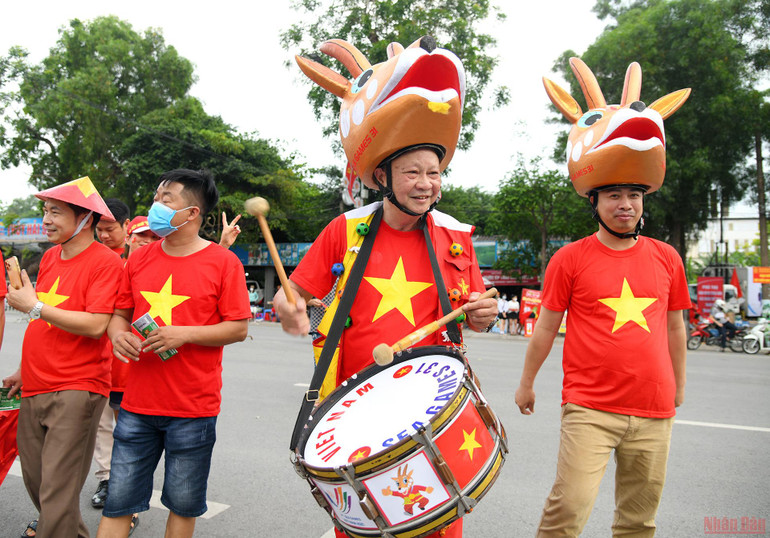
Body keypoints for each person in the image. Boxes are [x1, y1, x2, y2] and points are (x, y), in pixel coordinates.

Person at [280, 36, 497, 538]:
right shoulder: (345, 230)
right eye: (413, 173)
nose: (426, 184)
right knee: (366, 530)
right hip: (358, 407)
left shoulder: (456, 237)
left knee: (437, 526)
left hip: (435, 404)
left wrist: (482, 312)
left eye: (434, 173)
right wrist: (291, 307)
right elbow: (295, 296)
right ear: (382, 174)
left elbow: (475, 311)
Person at [514, 57, 691, 536]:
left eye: (634, 194)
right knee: (568, 510)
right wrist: (527, 383)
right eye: (613, 194)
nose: (625, 204)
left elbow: (676, 326)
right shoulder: (569, 259)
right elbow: (546, 326)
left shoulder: (668, 258)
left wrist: (678, 384)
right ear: (593, 200)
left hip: (655, 409)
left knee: (639, 520)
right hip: (589, 408)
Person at [96, 169, 250, 538]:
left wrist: (185, 334)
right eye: (156, 196)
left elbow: (239, 328)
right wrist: (118, 335)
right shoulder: (139, 259)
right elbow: (119, 315)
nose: (156, 205)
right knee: (119, 500)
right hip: (135, 407)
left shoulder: (223, 262)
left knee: (182, 505)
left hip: (193, 410)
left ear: (192, 213)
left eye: (167, 199)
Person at [2, 176, 123, 538]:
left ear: (85, 219)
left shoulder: (106, 263)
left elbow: (96, 325)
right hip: (35, 385)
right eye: (45, 211)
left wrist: (34, 305)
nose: (47, 219)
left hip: (77, 387)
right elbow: (46, 320)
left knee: (56, 491)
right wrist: (24, 370)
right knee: (40, 483)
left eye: (56, 211)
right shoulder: (52, 257)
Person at [91, 198, 133, 514]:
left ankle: (125, 482)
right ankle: (106, 478)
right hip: (96, 360)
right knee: (103, 425)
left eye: (109, 230)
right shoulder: (92, 259)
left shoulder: (138, 259)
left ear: (125, 226)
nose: (103, 236)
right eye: (99, 230)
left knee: (127, 425)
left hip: (127, 360)